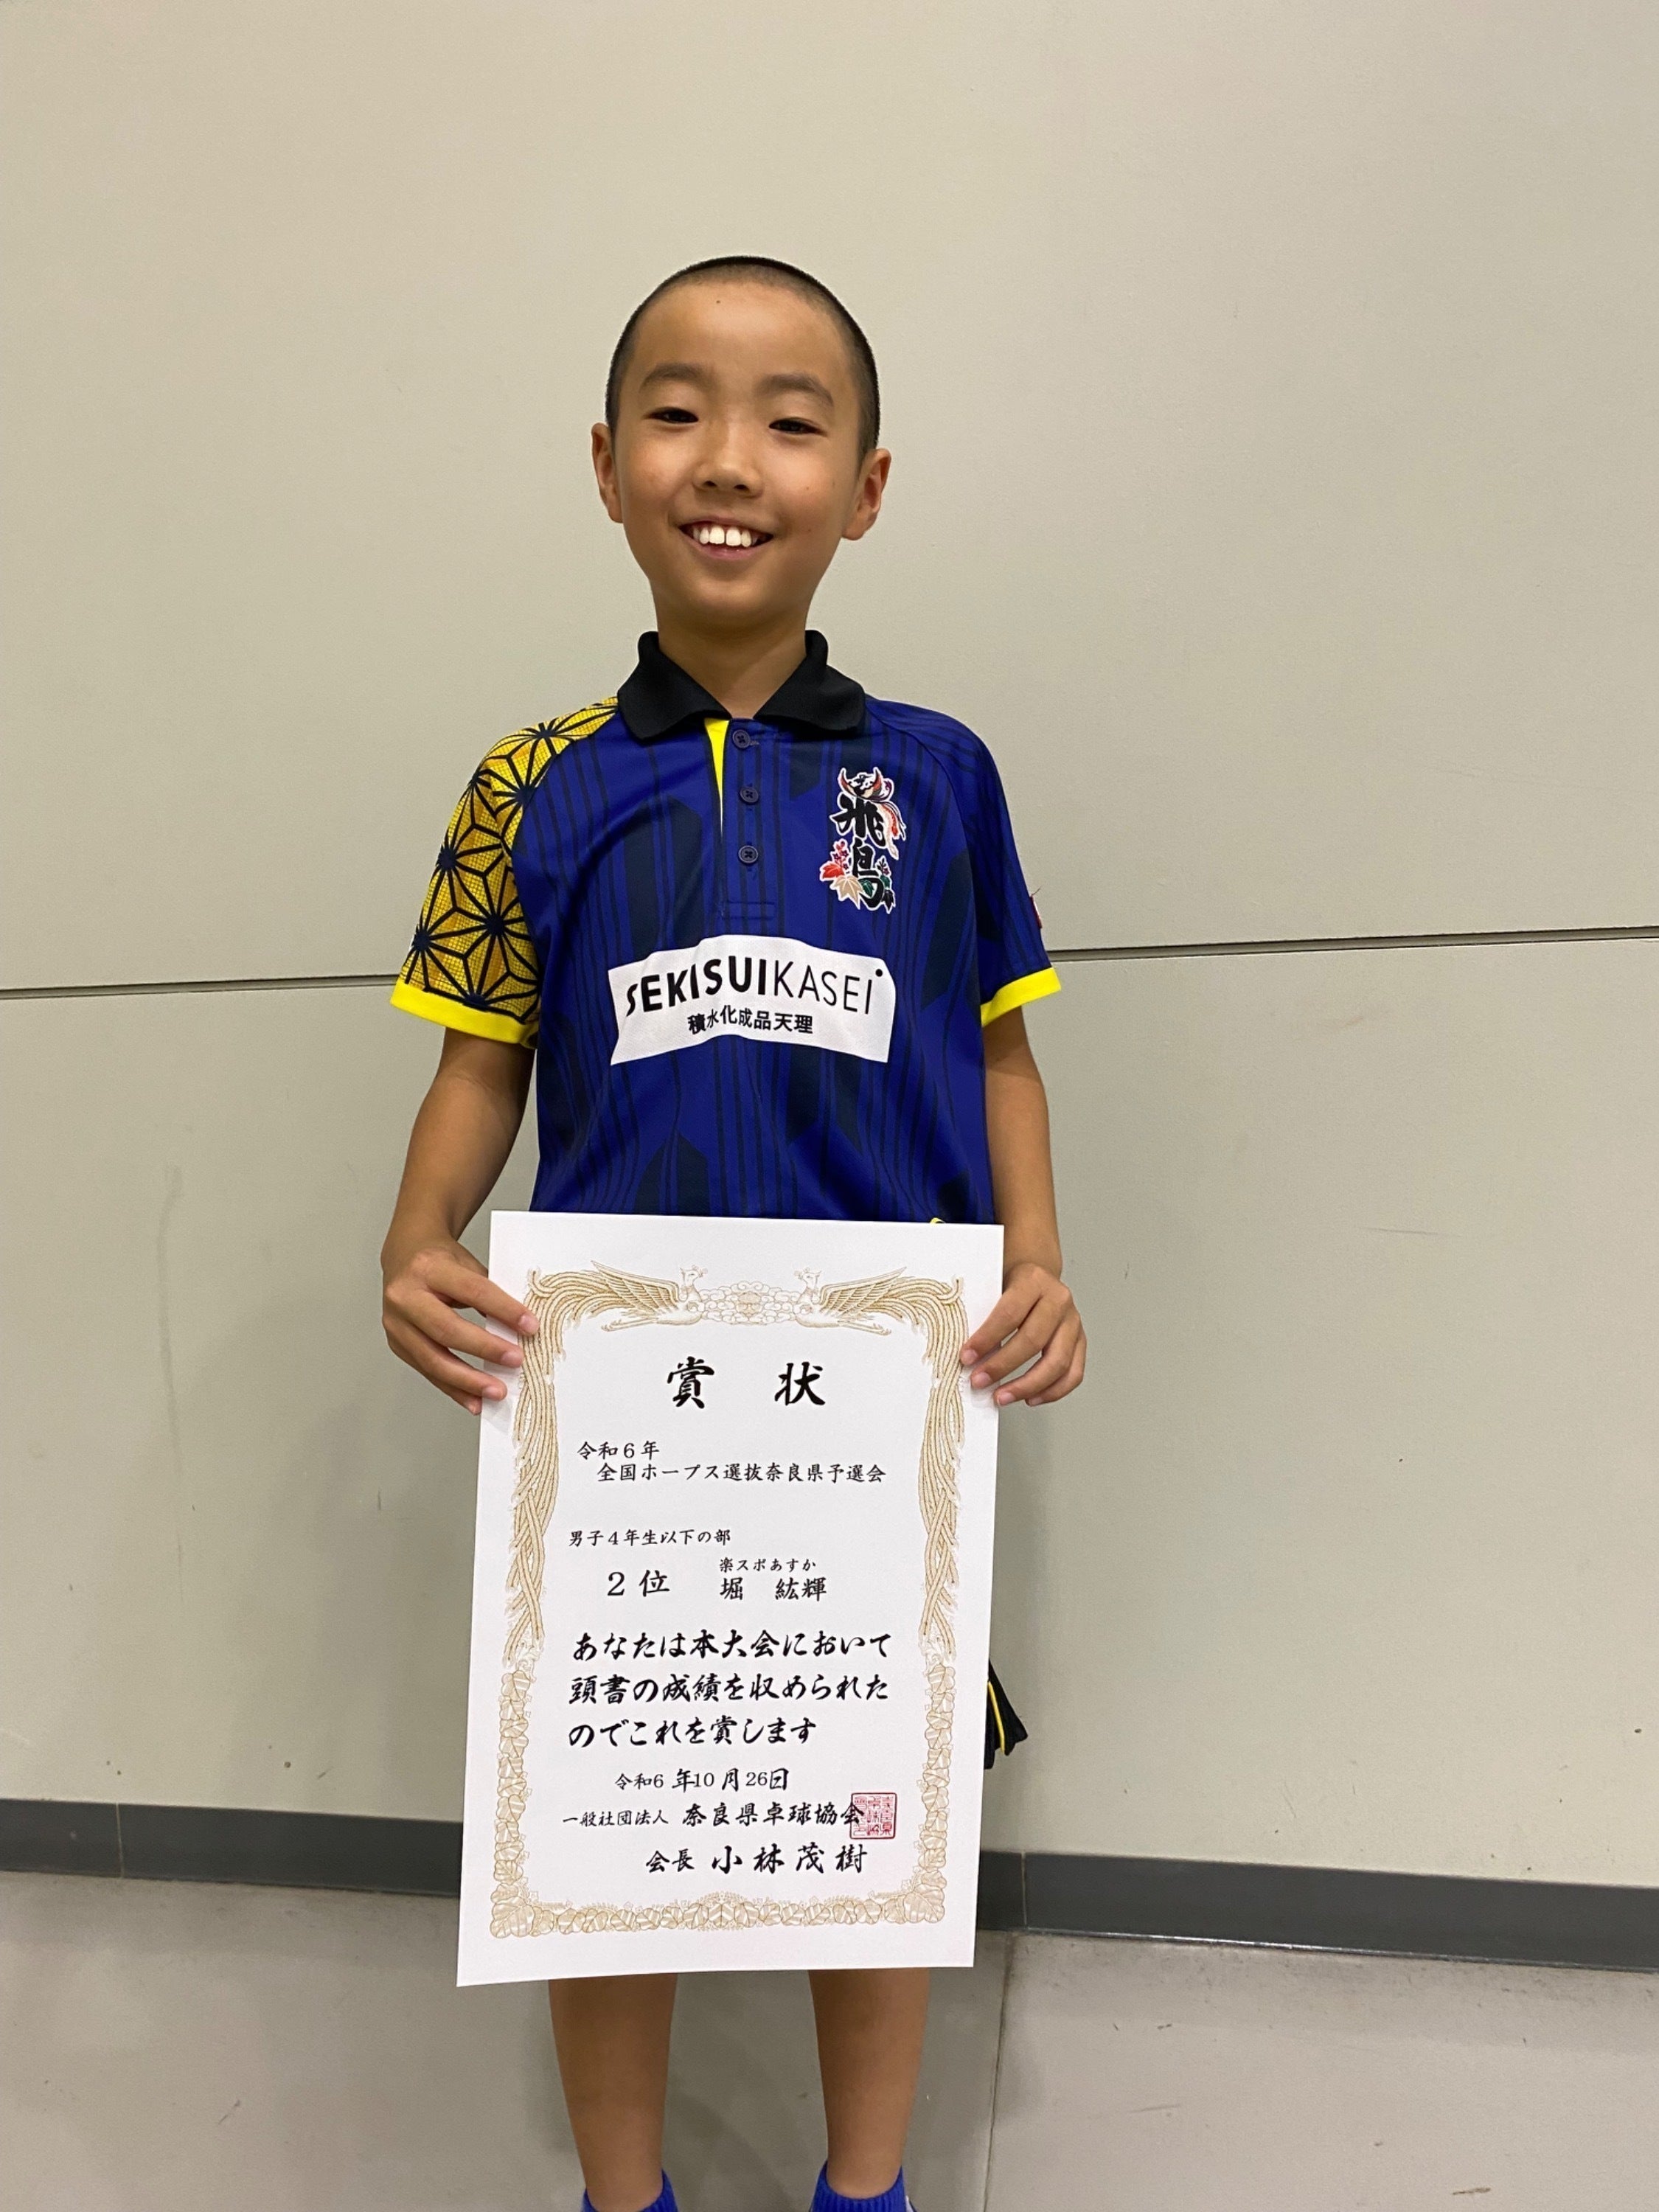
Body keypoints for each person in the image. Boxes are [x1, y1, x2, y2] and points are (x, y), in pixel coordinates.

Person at [380, 255, 1086, 2212]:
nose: (729, 459)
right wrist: (417, 1234)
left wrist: (1035, 1259)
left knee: (876, 1805)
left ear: (864, 486)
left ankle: (868, 2189)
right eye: (678, 411)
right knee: (606, 1819)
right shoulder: (530, 786)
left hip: (879, 1410)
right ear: (608, 463)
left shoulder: (936, 775)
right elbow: (478, 1065)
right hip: (621, 1413)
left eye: (791, 420)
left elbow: (1000, 1048)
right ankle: (627, 2198)